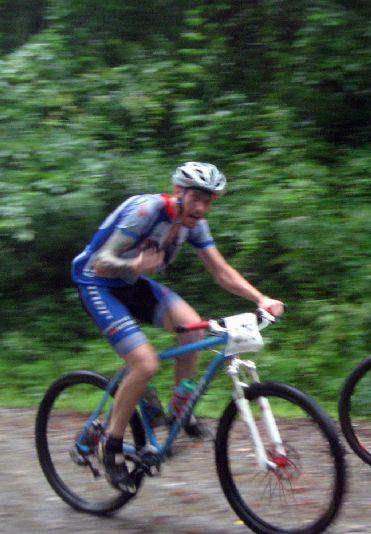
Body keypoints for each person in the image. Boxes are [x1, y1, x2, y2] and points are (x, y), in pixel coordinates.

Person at [71, 161, 285, 492]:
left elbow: (221, 271)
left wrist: (260, 298)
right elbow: (100, 262)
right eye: (197, 197)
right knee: (145, 364)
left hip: (132, 283)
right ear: (179, 192)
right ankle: (110, 448)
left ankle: (178, 411)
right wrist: (136, 264)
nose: (201, 207)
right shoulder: (147, 211)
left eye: (209, 200)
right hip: (97, 282)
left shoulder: (194, 225)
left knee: (193, 327)